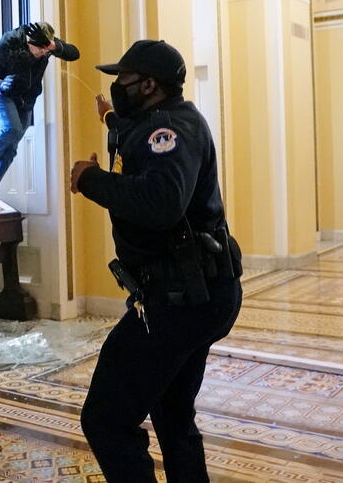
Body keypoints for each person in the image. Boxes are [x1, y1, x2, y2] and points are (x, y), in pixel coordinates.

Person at [70, 40, 243, 483]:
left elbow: (162, 201)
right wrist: (109, 115)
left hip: (179, 299)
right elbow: (136, 137)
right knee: (172, 412)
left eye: (123, 80)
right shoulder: (165, 120)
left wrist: (90, 179)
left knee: (106, 419)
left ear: (148, 85)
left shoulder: (167, 131)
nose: (117, 85)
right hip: (200, 292)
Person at [0, 22, 79, 211]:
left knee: (10, 150)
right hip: (3, 93)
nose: (42, 53)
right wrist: (1, 85)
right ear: (28, 42)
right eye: (38, 49)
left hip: (26, 100)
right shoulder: (9, 43)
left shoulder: (47, 45)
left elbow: (75, 54)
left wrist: (54, 47)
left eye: (45, 50)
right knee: (12, 129)